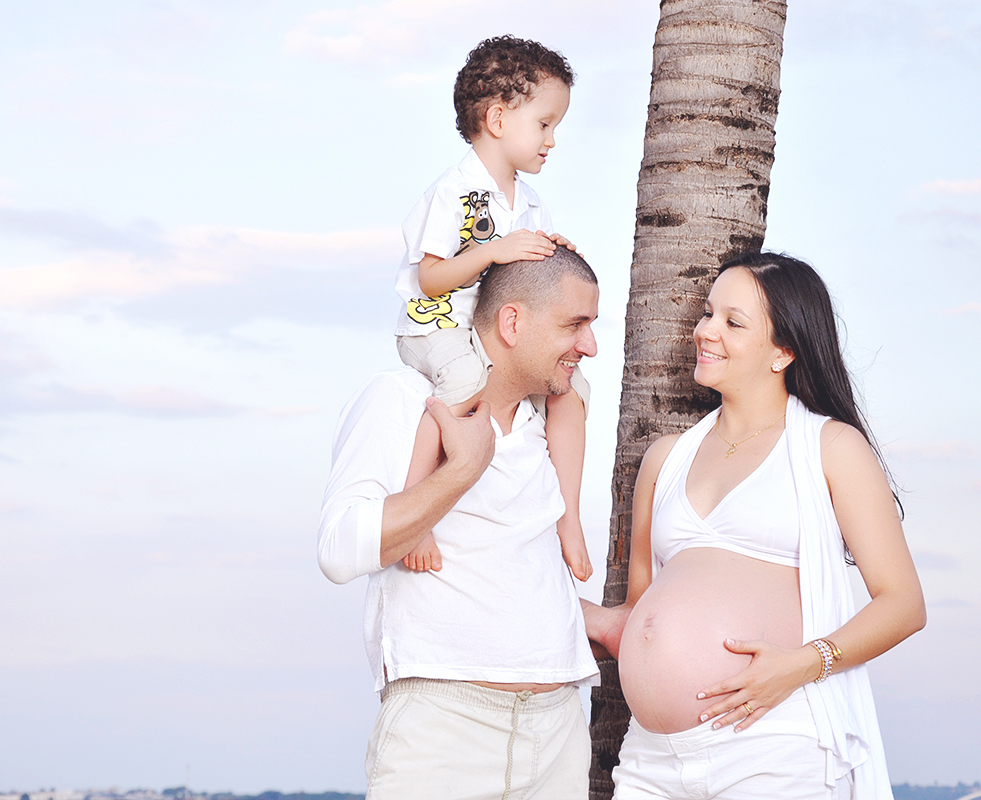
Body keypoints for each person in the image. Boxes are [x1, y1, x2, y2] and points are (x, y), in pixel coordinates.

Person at [583, 252, 926, 800]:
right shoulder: (665, 459)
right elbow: (637, 613)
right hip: (651, 759)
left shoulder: (829, 447)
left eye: (732, 322)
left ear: (783, 352)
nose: (705, 331)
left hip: (769, 747)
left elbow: (903, 603)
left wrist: (801, 665)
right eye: (707, 313)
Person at [320, 246, 601, 800]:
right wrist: (462, 471)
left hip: (560, 730)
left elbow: (511, 572)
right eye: (575, 325)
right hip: (444, 730)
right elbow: (338, 549)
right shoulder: (404, 399)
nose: (589, 345)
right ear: (512, 322)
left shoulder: (549, 423)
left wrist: (608, 624)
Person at [394, 35, 593, 582]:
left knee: (573, 392)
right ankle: (417, 509)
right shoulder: (454, 192)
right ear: (499, 119)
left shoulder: (527, 201)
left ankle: (568, 516)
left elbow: (526, 281)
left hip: (494, 335)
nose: (552, 140)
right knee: (460, 381)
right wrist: (496, 250)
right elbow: (430, 277)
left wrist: (555, 257)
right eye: (545, 124)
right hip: (439, 328)